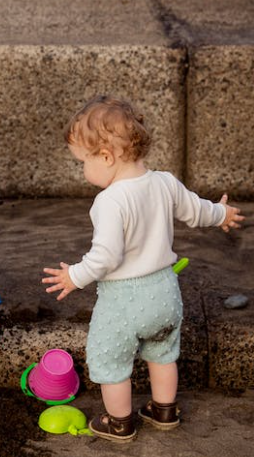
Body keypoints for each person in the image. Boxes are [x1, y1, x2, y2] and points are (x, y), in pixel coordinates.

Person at [41, 96, 245, 443]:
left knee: (110, 360)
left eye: (83, 162)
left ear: (106, 157)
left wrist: (74, 276)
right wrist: (221, 213)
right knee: (162, 354)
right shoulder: (164, 182)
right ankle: (164, 410)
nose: (84, 171)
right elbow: (197, 211)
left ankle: (119, 422)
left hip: (124, 301)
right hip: (165, 292)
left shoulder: (109, 201)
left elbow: (105, 256)